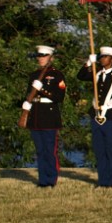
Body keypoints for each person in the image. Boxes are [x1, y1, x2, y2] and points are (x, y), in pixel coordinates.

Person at [77, 46, 112, 188]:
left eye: (105, 57)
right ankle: (102, 181)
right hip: (95, 116)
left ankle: (110, 182)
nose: (102, 59)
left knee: (109, 150)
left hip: (110, 116)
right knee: (99, 150)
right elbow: (80, 76)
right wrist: (89, 62)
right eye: (101, 57)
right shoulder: (97, 73)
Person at [22, 45, 67, 187]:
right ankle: (42, 180)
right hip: (35, 115)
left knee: (49, 150)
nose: (41, 58)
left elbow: (59, 97)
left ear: (50, 58)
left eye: (44, 56)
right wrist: (25, 105)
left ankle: (51, 179)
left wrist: (42, 89)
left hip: (49, 116)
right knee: (40, 150)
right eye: (39, 56)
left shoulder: (57, 75)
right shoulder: (34, 75)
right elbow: (29, 94)